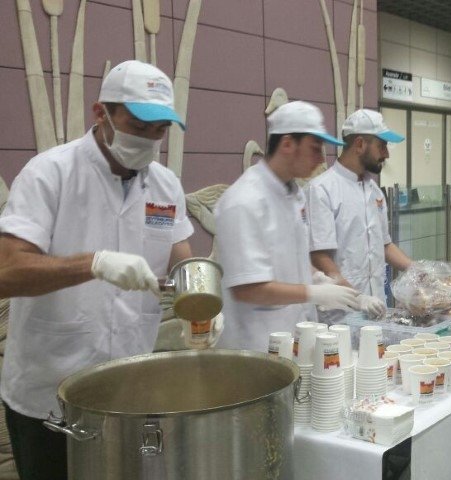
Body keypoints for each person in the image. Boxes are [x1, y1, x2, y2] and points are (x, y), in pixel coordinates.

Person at [0, 60, 193, 480]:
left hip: (128, 395)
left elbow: (182, 257)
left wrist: (204, 299)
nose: (150, 138)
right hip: (48, 398)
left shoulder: (164, 186)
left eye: (160, 129)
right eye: (139, 125)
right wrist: (94, 263)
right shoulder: (50, 173)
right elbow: (7, 271)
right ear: (100, 112)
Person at [215, 101, 361, 351]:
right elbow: (247, 288)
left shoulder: (294, 194)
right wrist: (313, 293)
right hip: (256, 344)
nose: (321, 158)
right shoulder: (244, 201)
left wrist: (320, 278)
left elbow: (291, 255)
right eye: (315, 148)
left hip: (296, 336)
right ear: (287, 144)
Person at [307, 109, 412, 322]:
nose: (386, 154)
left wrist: (417, 271)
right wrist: (357, 297)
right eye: (382, 146)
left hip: (377, 307)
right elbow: (319, 256)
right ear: (360, 144)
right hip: (340, 315)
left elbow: (384, 245)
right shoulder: (322, 189)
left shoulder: (374, 191)